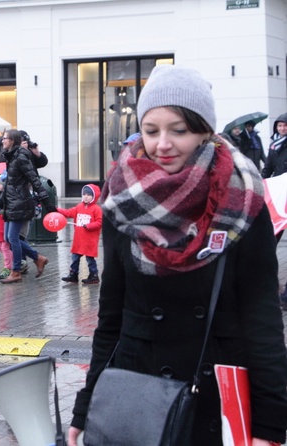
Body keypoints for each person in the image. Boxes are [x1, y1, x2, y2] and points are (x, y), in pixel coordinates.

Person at [67, 65, 287, 446]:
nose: (162, 144)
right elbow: (111, 316)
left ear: (205, 131)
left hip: (216, 395)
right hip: (138, 393)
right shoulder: (121, 200)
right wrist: (86, 406)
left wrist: (269, 423)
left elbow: (262, 318)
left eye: (179, 130)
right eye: (151, 131)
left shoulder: (243, 198)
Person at [0, 129, 52, 284]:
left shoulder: (21, 157)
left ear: (12, 140)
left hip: (20, 203)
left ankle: (16, 271)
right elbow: (10, 182)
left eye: (5, 138)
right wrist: (0, 202)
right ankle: (37, 258)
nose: (2, 141)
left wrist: (46, 200)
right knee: (9, 237)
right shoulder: (11, 156)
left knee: (13, 237)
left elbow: (34, 179)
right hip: (11, 202)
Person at [261, 113, 287, 309]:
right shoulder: (274, 146)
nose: (281, 129)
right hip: (277, 198)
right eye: (279, 126)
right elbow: (268, 168)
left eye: (285, 126)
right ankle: (268, 283)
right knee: (271, 239)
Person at [58, 184, 102, 284]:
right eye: (84, 194)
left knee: (90, 259)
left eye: (88, 194)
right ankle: (73, 274)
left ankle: (94, 275)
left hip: (90, 239)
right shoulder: (79, 206)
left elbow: (99, 222)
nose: (85, 196)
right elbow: (69, 213)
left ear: (94, 196)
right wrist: (56, 210)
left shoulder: (96, 209)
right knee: (75, 257)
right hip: (79, 239)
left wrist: (89, 226)